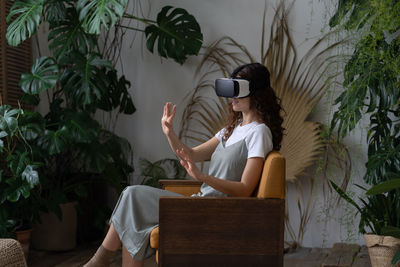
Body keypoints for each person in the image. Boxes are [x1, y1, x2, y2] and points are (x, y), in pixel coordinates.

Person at [83, 63, 284, 267]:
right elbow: (191, 154)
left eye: (236, 90)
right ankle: (100, 261)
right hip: (201, 203)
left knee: (132, 196)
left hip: (219, 211)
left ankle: (99, 261)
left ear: (256, 94)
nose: (231, 97)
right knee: (131, 198)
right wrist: (169, 132)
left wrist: (203, 178)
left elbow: (244, 189)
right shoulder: (230, 130)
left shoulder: (259, 133)